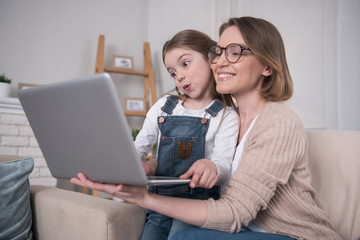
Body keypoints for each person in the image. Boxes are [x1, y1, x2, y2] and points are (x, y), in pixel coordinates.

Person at [71, 17, 342, 240]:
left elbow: (235, 212)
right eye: (218, 52)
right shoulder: (227, 119)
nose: (219, 61)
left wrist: (143, 198)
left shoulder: (278, 121)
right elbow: (195, 156)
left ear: (267, 66)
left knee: (184, 236)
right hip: (245, 230)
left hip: (292, 235)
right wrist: (150, 165)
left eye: (235, 52)